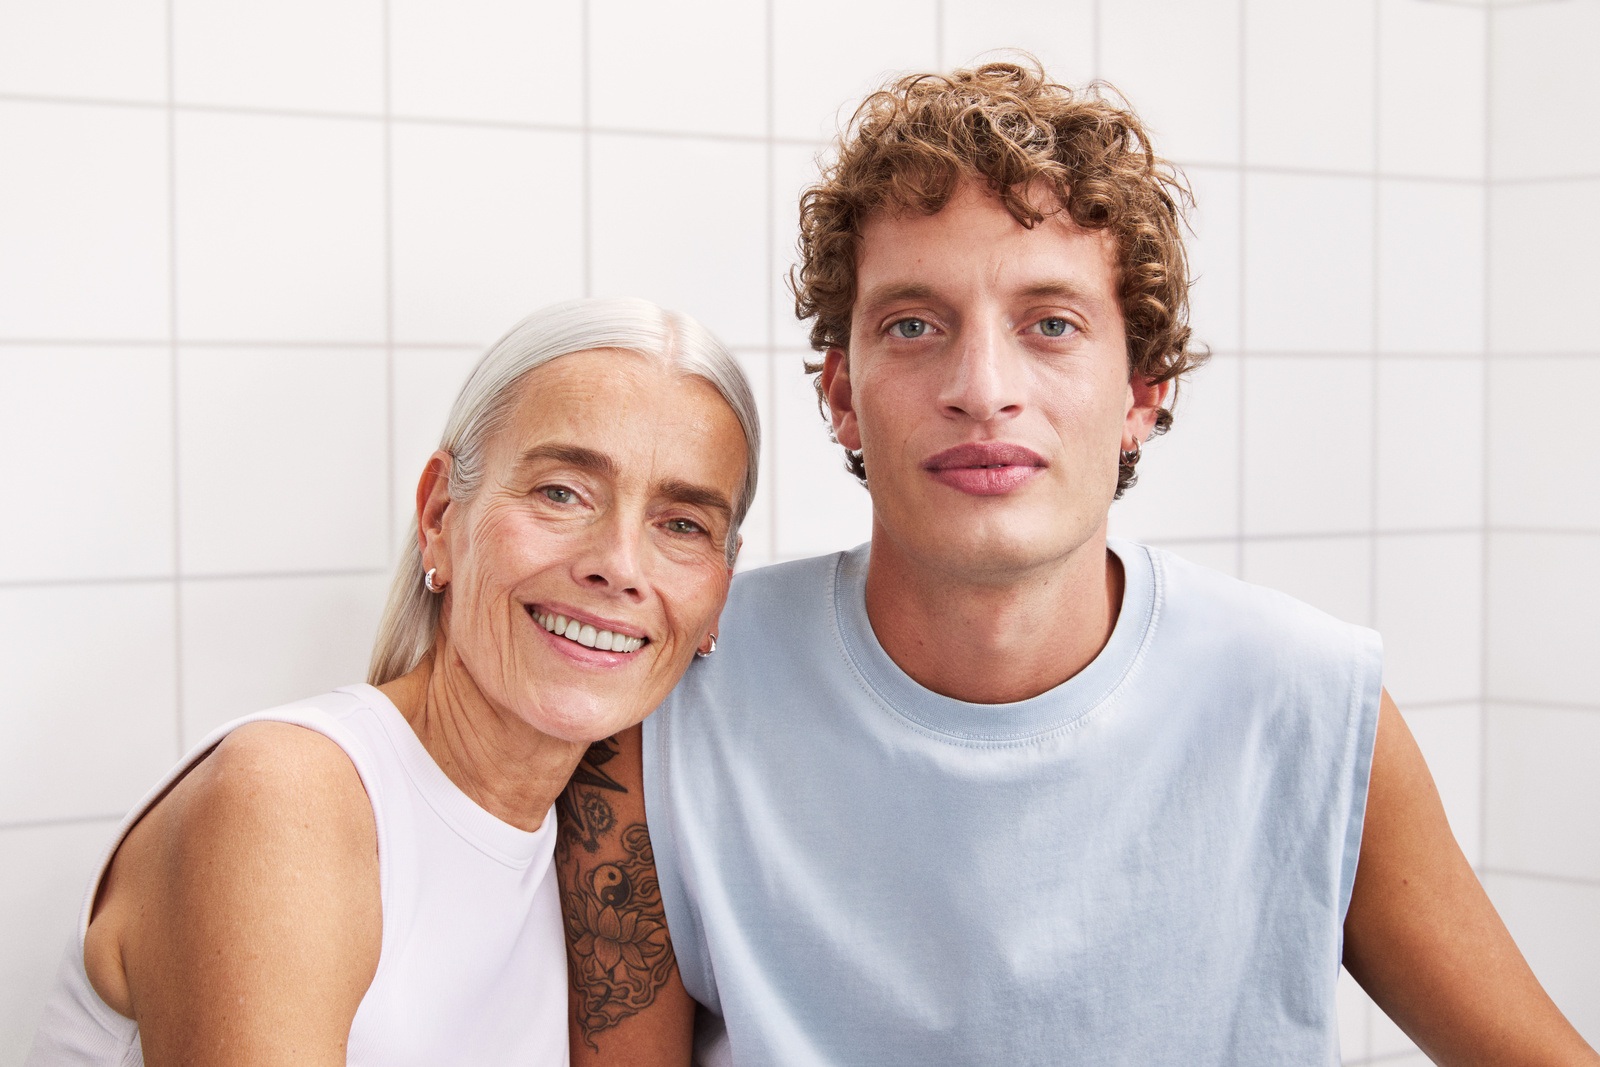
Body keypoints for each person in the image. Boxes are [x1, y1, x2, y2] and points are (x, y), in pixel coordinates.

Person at [556, 64, 1600, 1065]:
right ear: (840, 393)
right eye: (913, 325)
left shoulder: (1306, 706)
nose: (982, 386)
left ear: (1142, 390)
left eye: (1050, 324)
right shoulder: (670, 704)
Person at [28, 298, 759, 1066]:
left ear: (719, 596)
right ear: (441, 514)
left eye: (682, 524)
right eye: (561, 492)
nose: (619, 563)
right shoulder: (285, 797)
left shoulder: (593, 865)